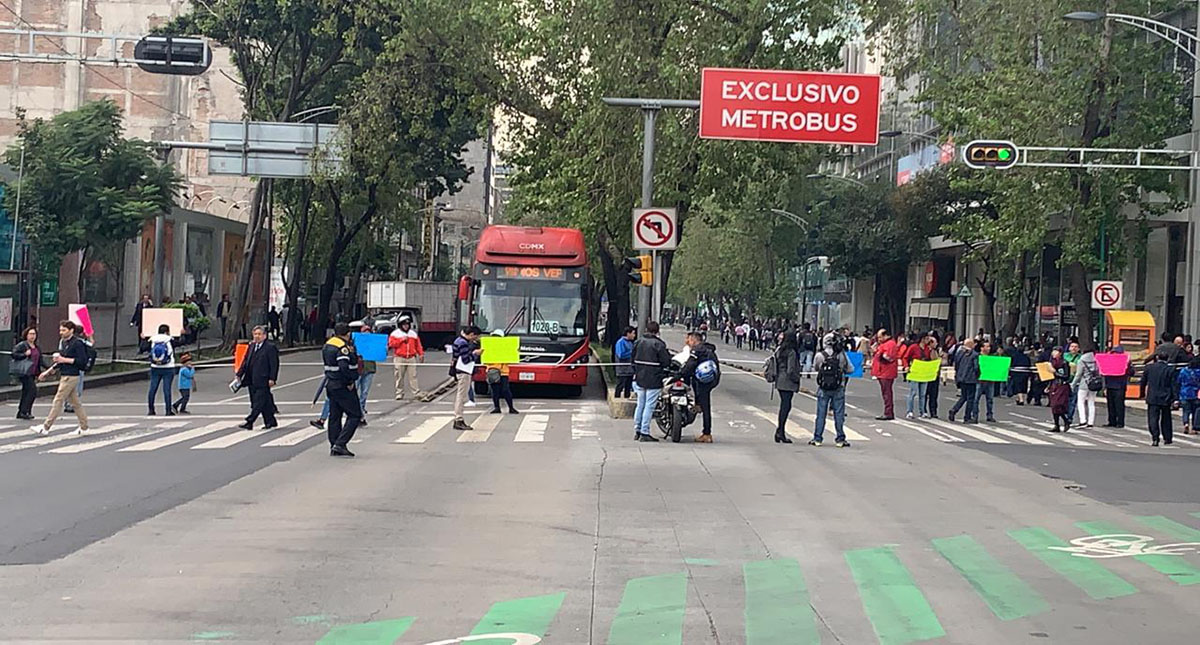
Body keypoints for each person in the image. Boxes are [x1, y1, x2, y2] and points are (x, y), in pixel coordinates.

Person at [35, 321, 89, 436]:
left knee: (58, 400)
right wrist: (48, 372)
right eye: (60, 330)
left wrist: (64, 360)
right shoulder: (64, 343)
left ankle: (46, 426)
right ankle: (84, 427)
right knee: (75, 403)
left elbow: (82, 361)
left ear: (71, 330)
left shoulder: (77, 343)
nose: (61, 333)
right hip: (65, 374)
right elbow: (60, 361)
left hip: (71, 375)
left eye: (64, 330)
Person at [322, 322, 362, 457]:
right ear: (348, 333)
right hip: (342, 385)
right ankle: (340, 443)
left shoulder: (328, 344)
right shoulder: (342, 347)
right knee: (355, 415)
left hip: (331, 384)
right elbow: (343, 366)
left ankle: (334, 444)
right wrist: (350, 381)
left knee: (335, 415)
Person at [811, 332, 854, 447]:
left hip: (823, 387)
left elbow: (816, 368)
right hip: (839, 387)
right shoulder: (841, 355)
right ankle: (840, 438)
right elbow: (850, 369)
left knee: (821, 414)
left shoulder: (820, 355)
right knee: (838, 413)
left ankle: (817, 438)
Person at [631, 321, 672, 442]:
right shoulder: (659, 344)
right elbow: (666, 362)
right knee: (649, 406)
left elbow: (632, 359)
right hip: (654, 378)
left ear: (646, 330)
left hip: (639, 377)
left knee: (640, 404)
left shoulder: (638, 342)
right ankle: (645, 432)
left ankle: (637, 430)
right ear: (657, 331)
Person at [236, 325, 280, 430]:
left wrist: (272, 378)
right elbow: (246, 361)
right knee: (264, 402)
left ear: (264, 336)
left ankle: (250, 421)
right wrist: (239, 374)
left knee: (258, 402)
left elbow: (274, 364)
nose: (257, 336)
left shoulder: (270, 347)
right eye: (255, 334)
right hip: (251, 379)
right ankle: (270, 421)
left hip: (263, 379)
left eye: (259, 334)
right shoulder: (251, 346)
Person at [680, 331, 719, 443]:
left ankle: (707, 433)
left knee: (706, 407)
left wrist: (681, 374)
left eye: (688, 339)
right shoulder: (709, 350)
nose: (687, 342)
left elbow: (689, 366)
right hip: (710, 381)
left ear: (693, 340)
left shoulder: (697, 351)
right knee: (705, 404)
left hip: (702, 383)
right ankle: (698, 406)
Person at [450, 326, 484, 431]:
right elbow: (466, 359)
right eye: (475, 336)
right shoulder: (463, 343)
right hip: (464, 371)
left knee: (461, 395)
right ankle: (458, 419)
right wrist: (475, 354)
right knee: (461, 396)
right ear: (471, 334)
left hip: (460, 370)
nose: (475, 339)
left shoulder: (458, 340)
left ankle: (458, 419)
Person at [771, 332, 801, 443]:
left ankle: (780, 431)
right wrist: (796, 379)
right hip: (788, 382)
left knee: (784, 406)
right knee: (786, 407)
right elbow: (791, 369)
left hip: (779, 380)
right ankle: (780, 432)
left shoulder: (780, 350)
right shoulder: (791, 352)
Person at [1143, 353, 1177, 446]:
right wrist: (1175, 398)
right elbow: (1173, 385)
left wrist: (1142, 393)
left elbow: (1143, 382)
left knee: (1153, 418)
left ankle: (1155, 438)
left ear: (1157, 358)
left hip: (1152, 396)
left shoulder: (1149, 368)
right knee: (1166, 418)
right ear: (1167, 359)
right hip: (1166, 397)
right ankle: (1167, 438)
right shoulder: (1170, 369)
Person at [388, 315, 425, 401]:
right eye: (404, 324)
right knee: (399, 376)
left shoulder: (413, 334)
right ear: (400, 325)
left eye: (407, 324)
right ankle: (399, 393)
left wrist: (421, 354)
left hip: (411, 357)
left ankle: (416, 392)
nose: (406, 326)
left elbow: (418, 345)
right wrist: (401, 340)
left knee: (413, 376)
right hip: (399, 357)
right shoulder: (395, 334)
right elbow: (391, 344)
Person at [10, 327, 43, 420]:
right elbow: (14, 354)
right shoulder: (22, 345)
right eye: (30, 334)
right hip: (25, 372)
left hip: (33, 372)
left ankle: (23, 411)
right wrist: (25, 354)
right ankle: (24, 411)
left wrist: (49, 369)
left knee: (26, 392)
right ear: (26, 335)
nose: (32, 336)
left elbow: (40, 360)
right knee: (32, 391)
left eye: (34, 334)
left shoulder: (36, 347)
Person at [147, 323, 176, 416]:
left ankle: (151, 410)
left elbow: (144, 349)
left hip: (155, 367)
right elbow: (182, 342)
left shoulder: (152, 340)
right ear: (167, 331)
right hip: (168, 367)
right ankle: (168, 410)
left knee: (152, 388)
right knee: (167, 389)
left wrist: (143, 338)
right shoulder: (169, 340)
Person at [948, 339, 979, 423]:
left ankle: (954, 410)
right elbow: (976, 367)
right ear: (971, 345)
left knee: (963, 396)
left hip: (961, 378)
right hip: (970, 378)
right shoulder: (974, 354)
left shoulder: (959, 353)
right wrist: (978, 375)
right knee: (970, 398)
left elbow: (956, 365)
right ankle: (967, 417)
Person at [1102, 346, 1133, 429]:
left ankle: (1120, 422)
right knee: (1110, 404)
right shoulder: (1109, 361)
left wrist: (1128, 364)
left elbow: (1131, 372)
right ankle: (1112, 421)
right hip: (1110, 385)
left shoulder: (1125, 362)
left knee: (1119, 405)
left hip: (1120, 386)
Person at [902, 332, 931, 419]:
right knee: (913, 392)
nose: (928, 340)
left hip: (924, 372)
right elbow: (905, 357)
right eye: (927, 338)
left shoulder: (927, 348)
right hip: (915, 371)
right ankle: (909, 411)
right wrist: (906, 366)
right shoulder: (914, 347)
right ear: (922, 339)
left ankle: (922, 411)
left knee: (923, 394)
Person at [872, 329, 899, 421]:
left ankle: (888, 412)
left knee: (887, 393)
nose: (879, 339)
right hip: (882, 372)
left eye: (880, 337)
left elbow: (889, 358)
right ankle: (888, 412)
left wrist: (880, 355)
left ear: (886, 335)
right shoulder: (884, 344)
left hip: (886, 372)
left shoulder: (890, 344)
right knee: (886, 393)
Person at [1072, 345, 1100, 429]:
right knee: (1091, 403)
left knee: (1081, 402)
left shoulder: (1082, 360)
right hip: (1094, 383)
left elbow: (1078, 374)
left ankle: (1082, 421)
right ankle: (1090, 422)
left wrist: (1073, 384)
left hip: (1084, 384)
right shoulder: (1096, 360)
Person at [356, 323, 377, 427]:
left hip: (369, 369)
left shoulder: (373, 344)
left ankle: (361, 414)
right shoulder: (356, 344)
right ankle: (357, 414)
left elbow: (380, 353)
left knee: (364, 393)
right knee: (355, 393)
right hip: (358, 370)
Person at [1048, 348, 1072, 432]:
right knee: (1053, 406)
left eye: (1056, 351)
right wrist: (1048, 386)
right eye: (1053, 351)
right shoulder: (1051, 362)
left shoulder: (1064, 363)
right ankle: (1056, 424)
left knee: (1058, 405)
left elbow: (1066, 376)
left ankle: (1066, 421)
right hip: (1054, 385)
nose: (1054, 353)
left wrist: (1055, 372)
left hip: (1062, 385)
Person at [974, 340, 998, 423]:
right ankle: (975, 415)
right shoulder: (978, 357)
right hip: (979, 380)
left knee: (990, 399)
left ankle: (990, 415)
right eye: (986, 346)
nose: (988, 348)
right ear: (982, 348)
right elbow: (976, 368)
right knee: (976, 399)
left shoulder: (991, 358)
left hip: (990, 380)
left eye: (989, 347)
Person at [1177, 355, 1200, 434]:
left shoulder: (1183, 371)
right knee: (1195, 411)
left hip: (1184, 392)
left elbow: (1179, 381)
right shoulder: (1198, 372)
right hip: (1195, 393)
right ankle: (1194, 427)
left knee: (1185, 411)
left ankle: (1186, 423)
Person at [614, 326, 636, 399]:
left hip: (630, 369)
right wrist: (632, 353)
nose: (634, 335)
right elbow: (621, 355)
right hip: (622, 369)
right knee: (620, 385)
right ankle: (617, 399)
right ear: (628, 333)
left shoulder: (630, 343)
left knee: (628, 387)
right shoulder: (620, 342)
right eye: (633, 333)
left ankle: (627, 397)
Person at [925, 333, 944, 419]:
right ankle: (924, 410)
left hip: (935, 375)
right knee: (925, 394)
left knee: (934, 395)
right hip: (928, 375)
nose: (936, 344)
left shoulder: (937, 351)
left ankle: (933, 411)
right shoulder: (928, 351)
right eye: (935, 342)